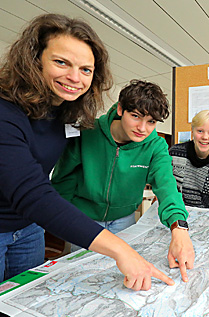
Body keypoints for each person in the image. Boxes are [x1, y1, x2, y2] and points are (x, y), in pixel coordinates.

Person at [0, 13, 186, 289]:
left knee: (26, 293)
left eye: (86, 69)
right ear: (34, 59)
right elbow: (44, 188)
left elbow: (166, 184)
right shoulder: (9, 113)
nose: (74, 77)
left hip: (30, 228)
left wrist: (179, 227)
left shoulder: (65, 114)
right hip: (60, 216)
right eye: (61, 62)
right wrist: (121, 250)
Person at [51, 79, 195, 273]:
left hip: (123, 220)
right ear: (120, 109)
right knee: (84, 273)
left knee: (116, 274)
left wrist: (179, 229)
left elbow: (167, 186)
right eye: (135, 116)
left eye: (151, 121)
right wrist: (61, 220)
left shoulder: (156, 146)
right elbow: (63, 180)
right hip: (84, 219)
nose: (142, 128)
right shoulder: (87, 133)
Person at [169, 110, 209, 208]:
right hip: (174, 215)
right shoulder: (174, 153)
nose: (205, 137)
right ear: (192, 130)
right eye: (200, 131)